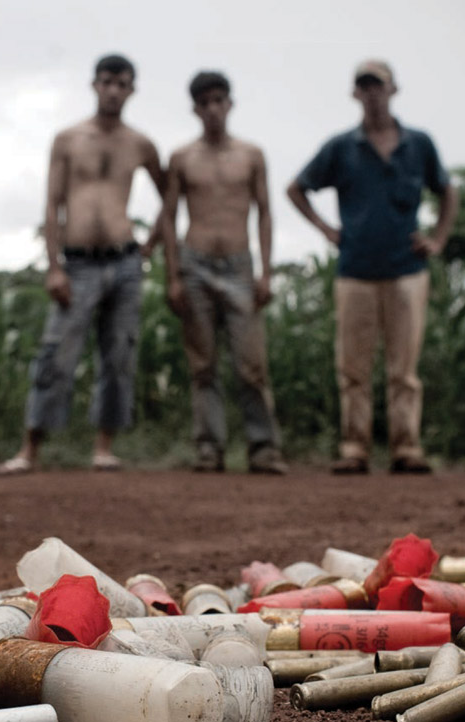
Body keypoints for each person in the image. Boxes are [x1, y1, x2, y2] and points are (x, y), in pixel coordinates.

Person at [286, 59, 459, 475]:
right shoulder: (342, 147)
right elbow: (297, 188)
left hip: (406, 269)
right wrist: (326, 229)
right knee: (353, 366)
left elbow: (448, 191)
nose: (372, 93)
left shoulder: (419, 144)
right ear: (355, 94)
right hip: (356, 270)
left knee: (404, 367)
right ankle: (355, 448)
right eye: (364, 86)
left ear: (393, 90)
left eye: (378, 85)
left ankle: (406, 448)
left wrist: (437, 238)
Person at [0, 54, 165, 475]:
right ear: (94, 85)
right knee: (57, 352)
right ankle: (30, 448)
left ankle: (103, 447)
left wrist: (152, 243)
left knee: (119, 353)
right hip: (78, 263)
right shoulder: (68, 138)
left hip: (125, 261)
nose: (113, 90)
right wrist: (54, 266)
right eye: (107, 81)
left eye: (121, 83)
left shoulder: (140, 144)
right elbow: (52, 205)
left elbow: (171, 196)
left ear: (131, 90)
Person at [154, 71, 287, 475]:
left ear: (230, 104)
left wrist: (265, 272)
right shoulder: (181, 157)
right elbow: (169, 217)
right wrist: (173, 275)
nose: (212, 109)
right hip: (195, 264)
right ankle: (209, 449)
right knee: (203, 364)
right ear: (195, 108)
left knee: (251, 364)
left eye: (219, 100)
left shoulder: (251, 155)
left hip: (239, 264)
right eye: (204, 102)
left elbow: (264, 213)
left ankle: (263, 449)